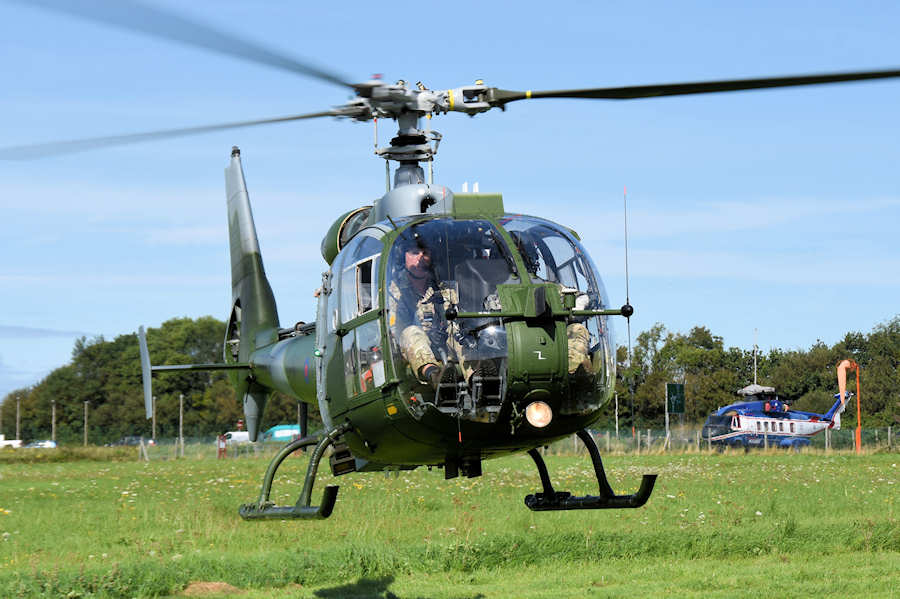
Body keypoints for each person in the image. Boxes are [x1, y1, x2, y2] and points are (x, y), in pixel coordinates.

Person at [386, 238, 460, 386]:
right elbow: (395, 331)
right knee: (411, 332)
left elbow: (458, 319)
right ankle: (434, 375)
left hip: (446, 344)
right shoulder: (392, 293)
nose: (420, 257)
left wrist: (445, 330)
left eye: (425, 253)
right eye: (414, 253)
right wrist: (427, 334)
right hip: (410, 349)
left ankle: (476, 371)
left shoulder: (445, 290)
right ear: (403, 257)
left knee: (460, 331)